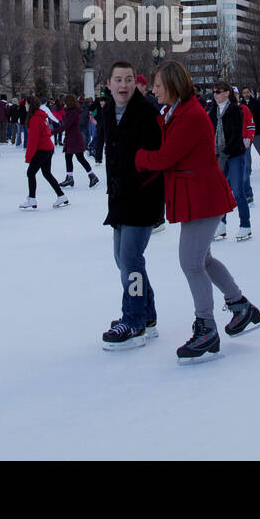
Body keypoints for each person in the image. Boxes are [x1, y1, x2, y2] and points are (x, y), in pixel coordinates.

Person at [135, 61, 260, 362]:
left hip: (203, 197)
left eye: (158, 85)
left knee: (191, 263)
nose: (154, 90)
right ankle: (239, 305)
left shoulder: (190, 115)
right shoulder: (178, 111)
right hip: (197, 195)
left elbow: (166, 157)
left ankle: (206, 327)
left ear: (173, 84)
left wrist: (136, 157)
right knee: (202, 259)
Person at [98, 61, 163, 349]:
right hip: (119, 199)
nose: (123, 85)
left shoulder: (147, 112)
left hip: (142, 197)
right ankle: (146, 314)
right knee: (122, 260)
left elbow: (157, 157)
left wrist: (140, 182)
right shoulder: (108, 111)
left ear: (135, 83)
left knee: (131, 261)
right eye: (118, 80)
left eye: (127, 79)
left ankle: (134, 319)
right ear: (109, 83)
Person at [205, 82, 251, 241]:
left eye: (218, 91)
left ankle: (245, 225)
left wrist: (225, 153)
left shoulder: (236, 111)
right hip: (219, 155)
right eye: (214, 92)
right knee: (220, 192)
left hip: (234, 155)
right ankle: (221, 225)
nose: (215, 94)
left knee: (237, 191)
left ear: (226, 93)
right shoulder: (212, 112)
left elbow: (236, 135)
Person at [19, 95, 68, 209]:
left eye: (26, 104)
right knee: (46, 173)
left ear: (30, 105)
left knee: (30, 173)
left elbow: (33, 140)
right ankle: (61, 196)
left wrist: (29, 156)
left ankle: (32, 199)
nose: (25, 106)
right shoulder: (39, 116)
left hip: (42, 149)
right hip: (47, 148)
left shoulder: (35, 119)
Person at [58, 94, 98, 189]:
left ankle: (92, 176)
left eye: (64, 101)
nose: (63, 103)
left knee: (80, 158)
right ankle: (70, 177)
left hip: (75, 139)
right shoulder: (70, 111)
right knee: (69, 157)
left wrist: (51, 132)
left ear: (68, 102)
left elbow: (66, 125)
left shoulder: (73, 112)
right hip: (72, 138)